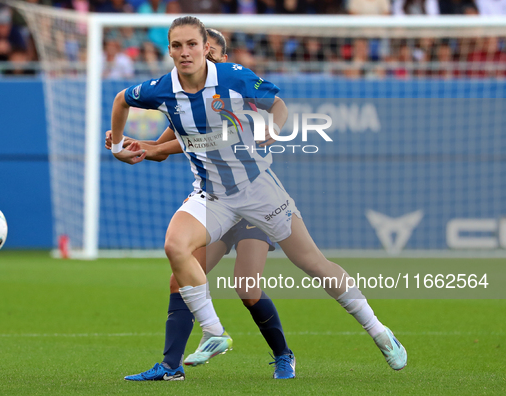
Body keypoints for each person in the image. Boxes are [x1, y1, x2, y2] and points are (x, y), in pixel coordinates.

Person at [110, 15, 407, 381]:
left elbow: (277, 105)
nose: (187, 53)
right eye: (177, 45)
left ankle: (378, 331)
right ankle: (202, 342)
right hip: (212, 196)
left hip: (257, 193)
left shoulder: (234, 80)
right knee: (177, 254)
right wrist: (124, 147)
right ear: (169, 49)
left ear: (208, 50)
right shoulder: (168, 94)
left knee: (305, 265)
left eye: (195, 46)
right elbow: (154, 138)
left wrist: (273, 127)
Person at [107, 28, 296, 381]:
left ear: (220, 58)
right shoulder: (185, 101)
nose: (200, 60)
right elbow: (161, 148)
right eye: (186, 49)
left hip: (252, 202)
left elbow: (189, 142)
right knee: (179, 279)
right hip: (215, 202)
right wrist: (133, 145)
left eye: (210, 55)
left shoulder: (235, 92)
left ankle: (283, 355)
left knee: (247, 287)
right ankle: (171, 366)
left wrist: (140, 147)